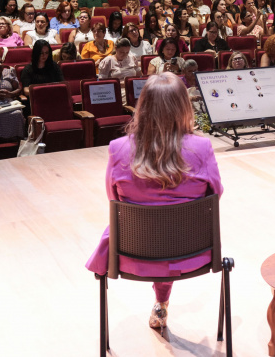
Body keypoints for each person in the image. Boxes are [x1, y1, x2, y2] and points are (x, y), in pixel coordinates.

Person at [84, 72, 223, 329]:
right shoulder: (202, 148)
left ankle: (161, 302)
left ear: (143, 106)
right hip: (192, 251)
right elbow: (215, 195)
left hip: (132, 252)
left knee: (149, 226)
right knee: (171, 227)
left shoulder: (117, 148)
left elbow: (113, 200)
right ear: (184, 106)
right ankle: (162, 301)